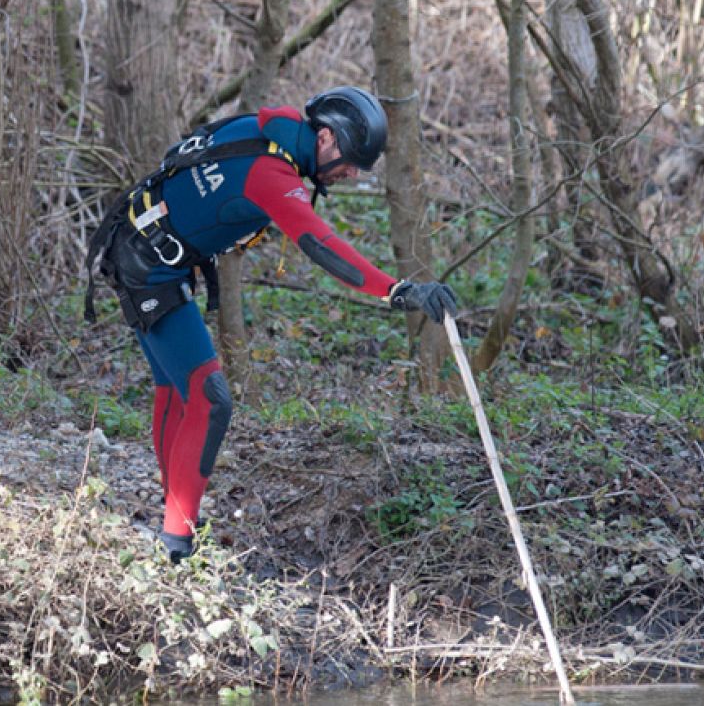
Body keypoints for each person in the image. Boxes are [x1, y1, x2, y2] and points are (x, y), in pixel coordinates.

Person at [86, 87, 457, 561]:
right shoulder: (271, 174)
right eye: (350, 161)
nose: (352, 174)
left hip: (137, 240)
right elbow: (321, 244)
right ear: (325, 137)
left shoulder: (269, 126)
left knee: (177, 389)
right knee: (208, 397)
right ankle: (177, 548)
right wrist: (397, 290)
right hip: (149, 266)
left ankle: (173, 520)